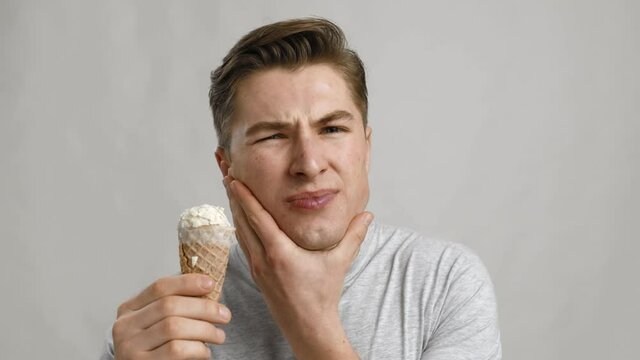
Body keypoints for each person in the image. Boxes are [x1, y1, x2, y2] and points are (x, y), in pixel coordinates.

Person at [101, 18, 502, 360]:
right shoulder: (166, 328)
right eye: (273, 136)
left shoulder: (444, 283)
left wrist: (311, 325)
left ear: (366, 147)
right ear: (227, 166)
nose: (309, 164)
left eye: (332, 129)